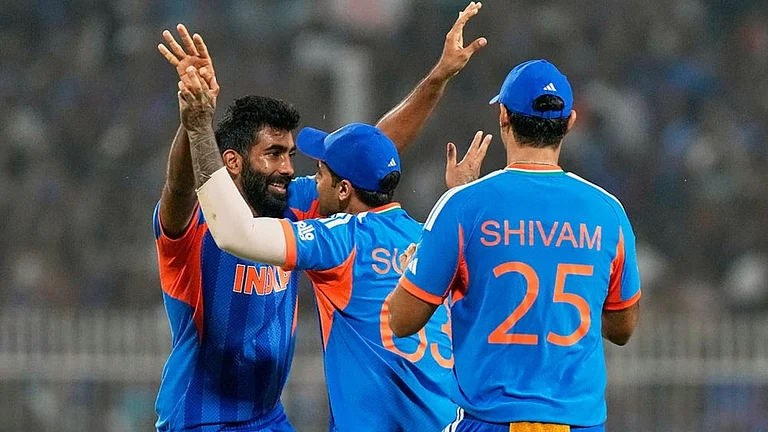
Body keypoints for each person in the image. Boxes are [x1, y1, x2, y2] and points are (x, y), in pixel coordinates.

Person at [152, 3, 487, 431]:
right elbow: (180, 188)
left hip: (267, 417)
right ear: (232, 161)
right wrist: (194, 120)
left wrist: (436, 80)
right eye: (274, 154)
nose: (288, 168)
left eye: (290, 155)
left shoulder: (293, 203)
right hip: (200, 419)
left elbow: (368, 154)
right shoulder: (195, 222)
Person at [387, 59, 642, 432]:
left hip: (490, 420)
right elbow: (622, 328)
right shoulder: (608, 212)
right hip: (578, 424)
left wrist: (423, 260)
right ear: (570, 122)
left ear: (503, 116)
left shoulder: (462, 206)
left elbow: (401, 320)